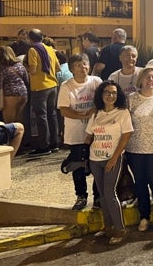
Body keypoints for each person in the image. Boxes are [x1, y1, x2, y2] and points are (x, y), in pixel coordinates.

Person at [84, 81, 133, 245]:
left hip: (112, 158)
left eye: (113, 92)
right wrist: (83, 153)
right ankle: (108, 227)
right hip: (95, 159)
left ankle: (120, 229)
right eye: (107, 92)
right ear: (101, 94)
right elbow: (89, 136)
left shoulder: (122, 113)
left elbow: (126, 136)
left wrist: (114, 158)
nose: (110, 96)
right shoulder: (96, 113)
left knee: (110, 193)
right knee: (102, 195)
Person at [126, 67, 153, 231]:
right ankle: (144, 217)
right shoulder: (131, 98)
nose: (150, 80)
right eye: (147, 77)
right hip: (135, 147)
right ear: (140, 80)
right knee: (140, 183)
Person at [57, 53, 102, 210]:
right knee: (78, 166)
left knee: (98, 165)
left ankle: (98, 196)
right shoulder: (66, 86)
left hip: (97, 133)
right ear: (71, 69)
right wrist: (82, 115)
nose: (82, 68)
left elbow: (104, 102)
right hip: (76, 134)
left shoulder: (96, 82)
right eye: (78, 65)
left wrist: (94, 110)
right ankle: (81, 196)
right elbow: (64, 110)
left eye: (85, 64)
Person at [26, 29, 61, 157]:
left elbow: (33, 70)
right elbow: (57, 67)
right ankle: (54, 143)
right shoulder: (50, 49)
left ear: (30, 39)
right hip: (53, 85)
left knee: (41, 116)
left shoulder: (32, 50)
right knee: (52, 115)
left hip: (39, 87)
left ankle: (44, 146)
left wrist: (27, 68)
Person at [0, 46, 29, 125]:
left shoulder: (1, 68)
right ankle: (21, 136)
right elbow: (26, 79)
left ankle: (12, 137)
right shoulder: (20, 65)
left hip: (10, 94)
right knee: (19, 119)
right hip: (23, 93)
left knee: (9, 121)